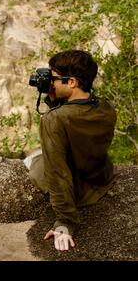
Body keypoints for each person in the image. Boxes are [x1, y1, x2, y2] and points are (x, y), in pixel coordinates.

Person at [24, 50, 117, 251]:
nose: (51, 82)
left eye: (54, 78)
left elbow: (57, 173)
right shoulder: (106, 107)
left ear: (72, 82)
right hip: (101, 179)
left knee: (34, 160)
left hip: (78, 191)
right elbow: (77, 127)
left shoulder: (55, 119)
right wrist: (54, 99)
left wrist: (65, 222)